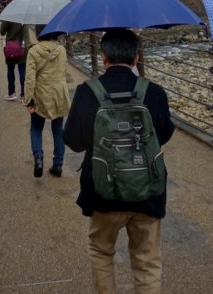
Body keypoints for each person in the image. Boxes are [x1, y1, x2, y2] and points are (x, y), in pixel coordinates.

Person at [63, 28, 174, 294]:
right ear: (136, 57)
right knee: (147, 260)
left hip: (104, 190)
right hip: (147, 189)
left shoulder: (87, 92)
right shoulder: (154, 92)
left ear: (104, 57)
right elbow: (164, 134)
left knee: (101, 252)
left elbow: (73, 141)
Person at [23, 31, 70, 178]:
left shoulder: (33, 51)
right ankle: (58, 165)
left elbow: (30, 78)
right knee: (58, 130)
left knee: (36, 128)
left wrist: (28, 99)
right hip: (58, 93)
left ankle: (38, 159)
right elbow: (64, 71)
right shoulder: (61, 49)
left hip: (41, 94)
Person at [0, 17, 26, 101]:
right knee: (22, 70)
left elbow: (2, 32)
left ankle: (12, 93)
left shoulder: (9, 17)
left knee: (10, 70)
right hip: (22, 46)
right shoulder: (24, 16)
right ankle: (23, 94)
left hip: (11, 47)